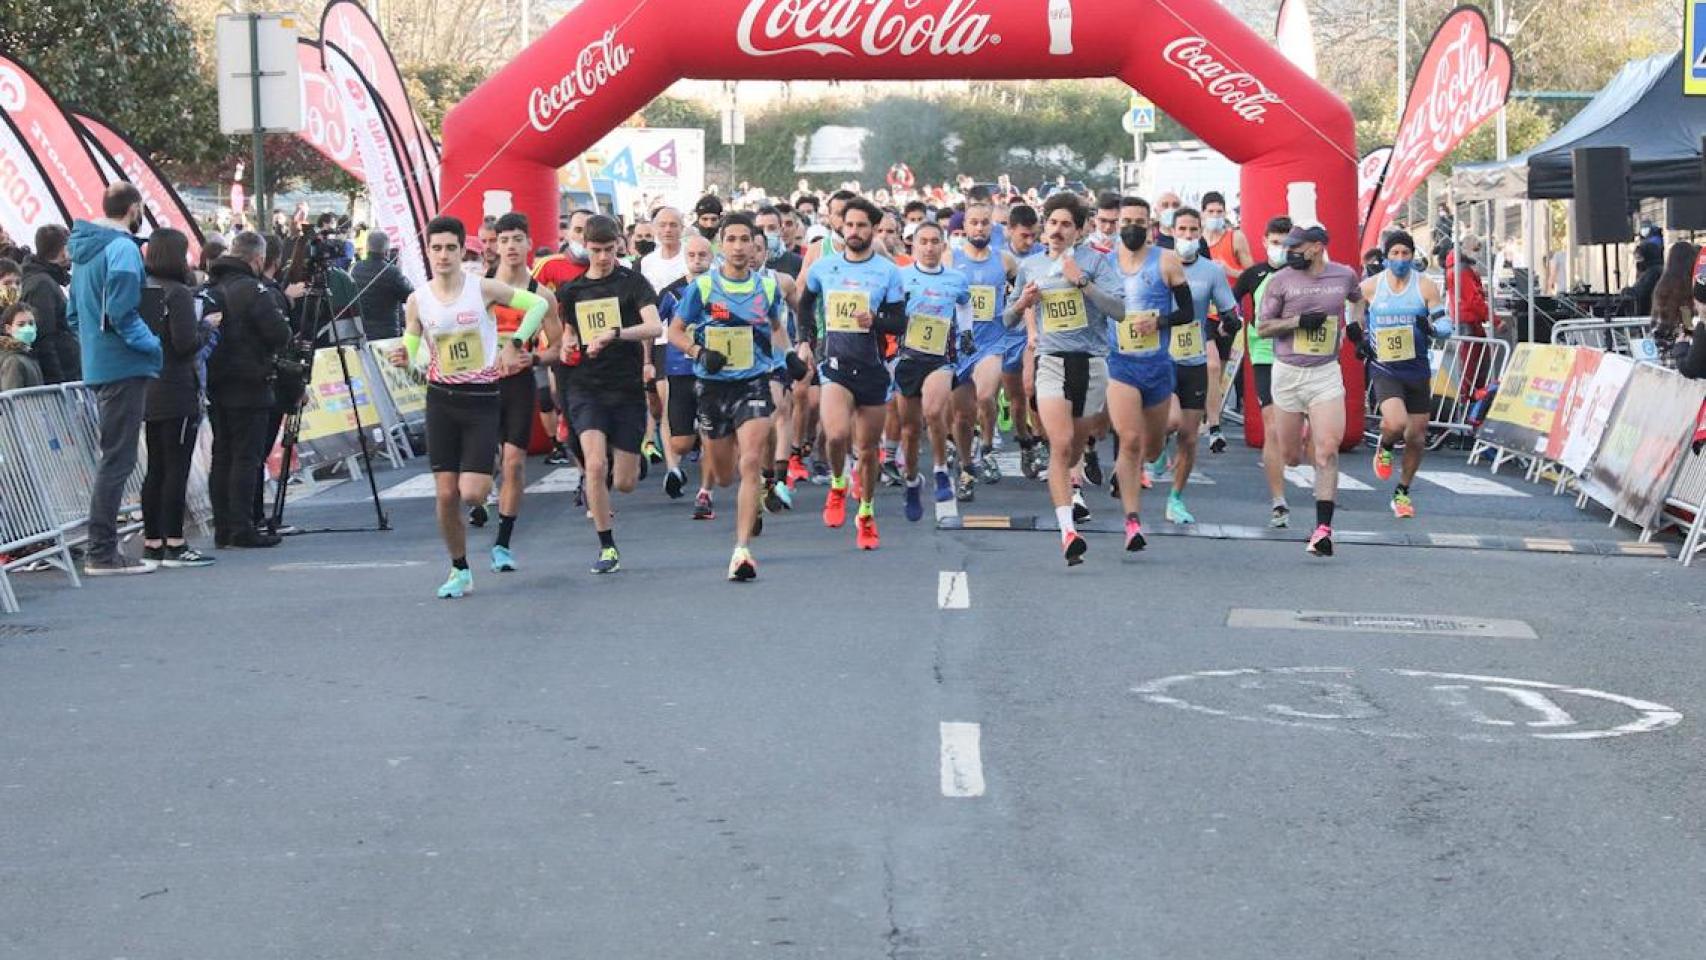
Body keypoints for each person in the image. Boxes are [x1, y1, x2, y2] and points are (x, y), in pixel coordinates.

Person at [388, 216, 549, 598]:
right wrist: (404, 355)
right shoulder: (418, 299)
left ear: (464, 250)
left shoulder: (484, 288)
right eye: (436, 248)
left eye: (450, 248)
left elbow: (538, 304)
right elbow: (412, 341)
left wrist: (517, 343)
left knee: (473, 494)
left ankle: (484, 482)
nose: (443, 255)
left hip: (481, 399)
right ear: (428, 252)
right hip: (441, 400)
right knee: (445, 495)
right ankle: (459, 569)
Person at [668, 212, 803, 579]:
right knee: (725, 474)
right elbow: (675, 331)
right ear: (720, 245)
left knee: (751, 461)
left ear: (755, 246)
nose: (739, 247)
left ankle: (741, 551)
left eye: (746, 240)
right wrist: (699, 352)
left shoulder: (768, 288)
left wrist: (789, 355)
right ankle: (752, 496)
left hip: (753, 382)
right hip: (712, 386)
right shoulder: (704, 288)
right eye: (732, 240)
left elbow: (777, 328)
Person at [1002, 192, 1126, 565]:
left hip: (1090, 363)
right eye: (1052, 223)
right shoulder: (1031, 266)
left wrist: (1083, 282)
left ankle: (1074, 477)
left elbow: (1119, 311)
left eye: (1065, 225)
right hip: (1051, 360)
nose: (1056, 231)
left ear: (1080, 229)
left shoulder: (1097, 263)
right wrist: (1022, 303)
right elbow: (1007, 318)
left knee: (1074, 443)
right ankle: (1067, 530)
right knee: (1059, 443)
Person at [796, 196, 908, 550]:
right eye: (850, 225)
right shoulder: (824, 266)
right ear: (840, 227)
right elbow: (805, 301)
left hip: (873, 369)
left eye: (862, 226)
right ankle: (838, 484)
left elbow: (899, 321)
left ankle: (866, 512)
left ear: (874, 230)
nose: (855, 231)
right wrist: (805, 340)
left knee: (867, 448)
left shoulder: (888, 271)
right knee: (836, 435)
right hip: (836, 366)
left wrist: (876, 321)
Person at [554, 214, 664, 574]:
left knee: (627, 482)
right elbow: (567, 333)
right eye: (596, 250)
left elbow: (654, 325)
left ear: (620, 244)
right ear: (585, 247)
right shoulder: (571, 291)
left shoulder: (633, 283)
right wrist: (569, 343)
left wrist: (615, 333)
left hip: (626, 388)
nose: (603, 257)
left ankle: (627, 460)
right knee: (596, 465)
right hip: (586, 386)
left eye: (609, 249)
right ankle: (607, 547)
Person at [69, 183, 164, 575]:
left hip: (100, 362)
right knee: (117, 461)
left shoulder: (83, 252)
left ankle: (101, 549)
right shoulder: (123, 249)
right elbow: (121, 311)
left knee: (114, 459)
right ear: (135, 208)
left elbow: (75, 315)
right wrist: (152, 345)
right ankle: (102, 552)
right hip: (124, 363)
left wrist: (95, 345)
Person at [1256, 224, 1366, 558]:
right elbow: (1262, 328)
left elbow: (1358, 300)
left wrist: (1355, 326)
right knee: (1291, 457)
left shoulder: (1343, 275)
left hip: (1324, 373)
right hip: (1288, 373)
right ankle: (1304, 431)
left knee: (1327, 450)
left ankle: (1323, 531)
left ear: (1317, 247)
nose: (1290, 254)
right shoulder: (1281, 280)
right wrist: (1297, 322)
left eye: (1296, 248)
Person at [484, 212, 564, 573]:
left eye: (518, 239)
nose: (512, 247)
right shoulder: (480, 287)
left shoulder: (541, 295)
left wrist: (532, 358)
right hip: (480, 383)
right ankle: (477, 497)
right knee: (486, 464)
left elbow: (559, 347)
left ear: (529, 244)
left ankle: (503, 542)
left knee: (514, 463)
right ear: (495, 246)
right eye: (505, 240)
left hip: (517, 382)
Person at [204, 231, 292, 549]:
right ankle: (242, 525)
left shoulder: (210, 288)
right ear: (257, 259)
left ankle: (223, 527)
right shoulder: (254, 291)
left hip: (216, 382)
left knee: (222, 455)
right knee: (246, 457)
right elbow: (279, 332)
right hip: (250, 381)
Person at [1357, 230, 1451, 520]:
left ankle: (1402, 493)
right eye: (1395, 254)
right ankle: (1384, 446)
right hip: (1386, 367)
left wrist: (1435, 327)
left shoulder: (1425, 287)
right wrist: (1357, 334)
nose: (1400, 259)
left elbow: (1443, 322)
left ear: (1412, 256)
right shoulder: (1371, 286)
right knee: (1396, 423)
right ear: (1385, 257)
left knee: (1417, 436)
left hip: (1417, 367)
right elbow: (1354, 311)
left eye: (1405, 254)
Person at [1157, 207, 1240, 525]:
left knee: (1189, 437)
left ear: (1200, 233)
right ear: (1172, 232)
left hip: (1193, 359)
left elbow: (1228, 308)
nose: (1189, 236)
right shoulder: (1159, 264)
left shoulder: (1211, 271)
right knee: (1170, 422)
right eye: (1183, 230)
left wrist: (1230, 321)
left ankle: (1175, 499)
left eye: (1194, 231)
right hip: (1162, 357)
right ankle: (1156, 449)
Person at [138, 228, 215, 567]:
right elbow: (185, 344)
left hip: (149, 387)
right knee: (175, 468)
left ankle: (153, 540)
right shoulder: (179, 294)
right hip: (177, 388)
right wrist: (207, 326)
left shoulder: (145, 290)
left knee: (156, 467)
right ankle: (175, 541)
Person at [893, 221, 970, 520]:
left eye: (934, 241)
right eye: (922, 241)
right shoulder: (899, 277)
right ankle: (912, 481)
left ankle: (940, 470)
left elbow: (965, 305)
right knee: (910, 431)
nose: (928, 247)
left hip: (940, 357)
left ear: (943, 245)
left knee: (934, 411)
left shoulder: (955, 278)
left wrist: (966, 332)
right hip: (908, 358)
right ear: (912, 245)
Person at [948, 201, 1019, 501]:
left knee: (986, 395)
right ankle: (967, 466)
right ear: (964, 227)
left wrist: (1021, 312)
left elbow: (1023, 291)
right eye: (974, 222)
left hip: (992, 341)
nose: (979, 228)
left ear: (993, 226)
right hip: (958, 347)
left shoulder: (1005, 262)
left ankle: (987, 446)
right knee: (963, 417)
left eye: (985, 223)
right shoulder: (950, 260)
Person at [1233, 216, 1295, 526]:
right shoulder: (1255, 274)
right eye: (1275, 243)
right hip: (1264, 356)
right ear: (1264, 242)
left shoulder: (1303, 276)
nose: (1280, 249)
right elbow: (1229, 304)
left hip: (1299, 358)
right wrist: (1227, 325)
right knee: (1271, 427)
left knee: (1293, 437)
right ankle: (1278, 500)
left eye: (1286, 244)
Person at [658, 235, 717, 509]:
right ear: (685, 257)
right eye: (692, 255)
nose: (697, 260)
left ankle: (705, 492)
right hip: (678, 369)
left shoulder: (720, 289)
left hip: (711, 371)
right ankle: (678, 461)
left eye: (702, 255)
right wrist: (648, 361)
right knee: (681, 443)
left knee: (709, 433)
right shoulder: (671, 293)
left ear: (712, 257)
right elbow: (653, 327)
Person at [19, 225, 76, 384]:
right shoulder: (42, 285)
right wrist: (58, 381)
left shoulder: (45, 281)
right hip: (62, 381)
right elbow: (44, 338)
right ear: (64, 250)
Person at [351, 231, 414, 340]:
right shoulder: (392, 272)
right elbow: (411, 297)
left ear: (367, 247)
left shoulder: (356, 269)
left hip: (362, 332)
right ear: (387, 251)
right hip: (388, 334)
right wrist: (399, 270)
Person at [0, 302, 44, 391]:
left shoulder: (28, 355)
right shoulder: (13, 361)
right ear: (8, 329)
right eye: (21, 325)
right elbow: (12, 396)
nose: (28, 328)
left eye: (31, 323)